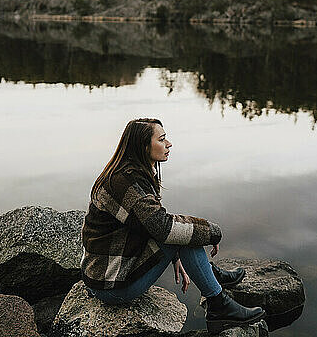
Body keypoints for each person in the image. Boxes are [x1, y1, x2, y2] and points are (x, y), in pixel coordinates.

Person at [81, 118, 265, 334]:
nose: (169, 144)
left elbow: (146, 224)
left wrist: (174, 256)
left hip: (105, 275)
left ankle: (210, 276)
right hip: (111, 287)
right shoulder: (126, 182)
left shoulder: (127, 173)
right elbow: (162, 227)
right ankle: (218, 305)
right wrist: (212, 232)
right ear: (144, 146)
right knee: (186, 236)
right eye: (162, 139)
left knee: (183, 235)